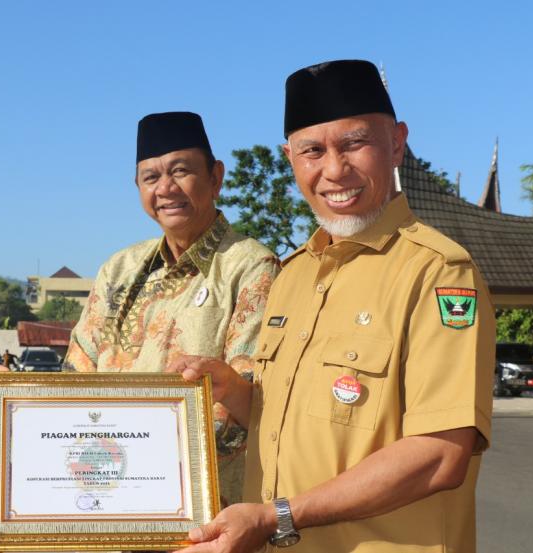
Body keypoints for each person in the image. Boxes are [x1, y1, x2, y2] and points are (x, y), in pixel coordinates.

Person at [173, 60, 494, 552]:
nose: (334, 170)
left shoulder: (439, 272)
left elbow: (440, 453)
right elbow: (293, 420)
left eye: (353, 144)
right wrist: (235, 391)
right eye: (312, 151)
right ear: (290, 158)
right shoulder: (295, 274)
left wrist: (276, 517)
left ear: (396, 143)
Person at [64, 111, 278, 505]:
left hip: (205, 512)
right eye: (151, 177)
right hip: (107, 499)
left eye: (181, 171)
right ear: (138, 186)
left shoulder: (250, 267)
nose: (165, 188)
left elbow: (247, 406)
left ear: (216, 177)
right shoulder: (118, 270)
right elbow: (74, 383)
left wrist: (136, 467)